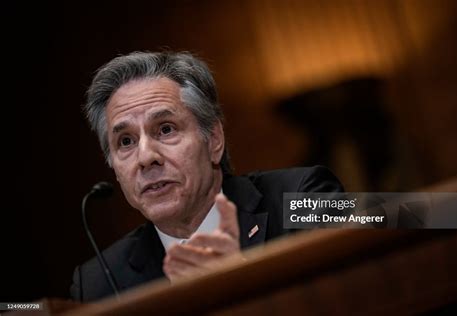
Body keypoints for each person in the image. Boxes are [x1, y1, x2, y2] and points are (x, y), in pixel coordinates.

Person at [71, 51, 344, 302]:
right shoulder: (98, 282)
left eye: (165, 129)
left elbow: (380, 229)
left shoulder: (305, 195)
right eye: (126, 141)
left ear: (213, 139)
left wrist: (244, 282)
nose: (145, 157)